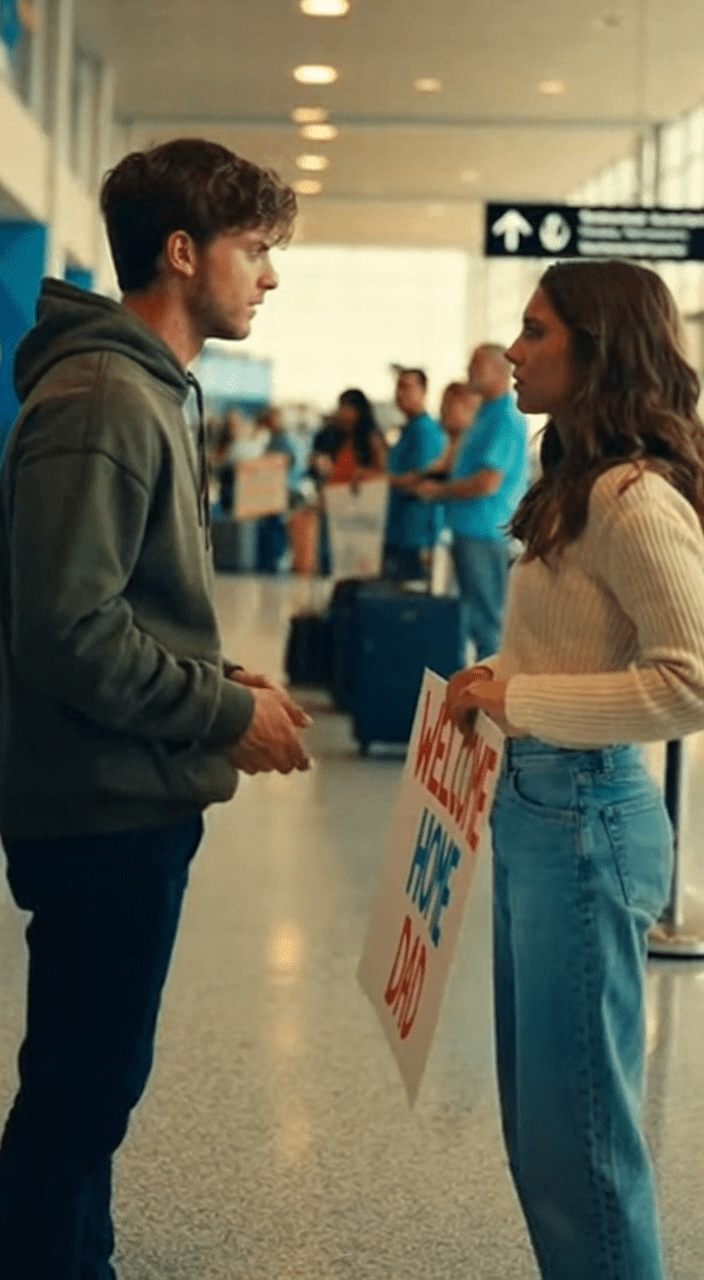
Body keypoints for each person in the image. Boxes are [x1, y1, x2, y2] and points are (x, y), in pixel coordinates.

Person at [0, 137, 312, 1280]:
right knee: (78, 1099)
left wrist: (217, 678)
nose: (269, 276)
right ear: (182, 254)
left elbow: (115, 598)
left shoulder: (141, 388)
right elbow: (67, 632)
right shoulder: (103, 396)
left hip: (124, 789)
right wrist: (224, 720)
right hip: (99, 806)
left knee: (92, 1090)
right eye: (255, 249)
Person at [447, 259, 704, 1280]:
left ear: (595, 349)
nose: (512, 348)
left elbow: (689, 676)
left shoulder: (632, 497)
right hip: (540, 805)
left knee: (580, 1141)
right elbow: (573, 643)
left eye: (534, 329)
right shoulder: (575, 483)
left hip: (584, 815)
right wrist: (497, 680)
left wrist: (521, 699)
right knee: (547, 1129)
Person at [418, 346, 529, 660]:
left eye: (476, 364)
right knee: (472, 614)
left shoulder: (506, 417)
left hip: (486, 530)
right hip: (467, 528)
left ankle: (487, 695)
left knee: (487, 618)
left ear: (498, 369)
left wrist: (440, 491)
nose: (468, 369)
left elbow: (487, 482)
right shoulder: (486, 412)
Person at [308, 388, 387, 572]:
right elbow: (334, 477)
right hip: (334, 511)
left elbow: (380, 475)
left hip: (357, 516)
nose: (340, 413)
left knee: (351, 569)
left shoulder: (371, 440)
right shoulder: (338, 440)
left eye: (345, 408)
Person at [383, 367, 446, 580]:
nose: (401, 394)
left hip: (417, 534)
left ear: (424, 392)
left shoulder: (425, 431)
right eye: (398, 388)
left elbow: (420, 477)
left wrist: (380, 480)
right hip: (399, 531)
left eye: (408, 388)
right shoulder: (406, 430)